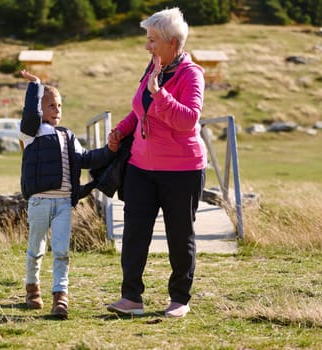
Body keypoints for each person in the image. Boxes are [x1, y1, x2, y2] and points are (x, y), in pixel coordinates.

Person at [106, 7, 207, 318]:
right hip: (140, 168)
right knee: (135, 233)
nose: (147, 46)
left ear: (172, 44)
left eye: (152, 40)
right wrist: (122, 130)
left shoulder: (192, 75)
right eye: (147, 39)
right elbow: (140, 110)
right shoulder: (153, 68)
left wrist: (161, 95)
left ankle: (179, 300)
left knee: (180, 236)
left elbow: (188, 120)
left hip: (182, 170)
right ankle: (131, 298)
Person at [19, 70, 118, 319]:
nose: (57, 110)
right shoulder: (30, 134)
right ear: (40, 109)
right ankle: (32, 288)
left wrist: (110, 149)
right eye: (51, 105)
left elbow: (86, 159)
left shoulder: (67, 135)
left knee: (62, 251)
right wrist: (36, 86)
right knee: (36, 248)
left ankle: (60, 297)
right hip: (40, 202)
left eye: (60, 105)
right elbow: (30, 115)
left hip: (63, 203)